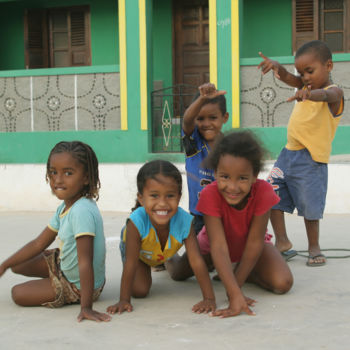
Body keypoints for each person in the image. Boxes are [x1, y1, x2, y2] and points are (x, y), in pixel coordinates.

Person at [165, 131, 293, 318]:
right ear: (215, 172)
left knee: (283, 283)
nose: (232, 187)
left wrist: (235, 289)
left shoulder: (263, 191)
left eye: (242, 178)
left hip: (251, 246)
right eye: (224, 177)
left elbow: (255, 243)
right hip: (212, 248)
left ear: (254, 175)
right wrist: (234, 292)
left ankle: (238, 271)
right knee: (178, 273)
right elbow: (218, 247)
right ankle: (168, 258)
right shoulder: (210, 194)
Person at [0, 141, 111, 323]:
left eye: (68, 173)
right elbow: (39, 243)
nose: (58, 180)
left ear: (86, 177)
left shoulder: (81, 211)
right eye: (53, 172)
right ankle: (52, 275)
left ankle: (73, 293)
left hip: (77, 285)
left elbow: (85, 261)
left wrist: (86, 307)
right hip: (64, 265)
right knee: (17, 264)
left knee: (17, 294)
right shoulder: (65, 206)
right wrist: (3, 265)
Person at [258, 40, 344, 267]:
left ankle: (314, 247)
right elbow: (288, 78)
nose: (305, 77)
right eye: (301, 73)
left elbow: (328, 97)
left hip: (311, 159)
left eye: (310, 71)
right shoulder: (302, 86)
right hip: (288, 154)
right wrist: (277, 67)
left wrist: (308, 95)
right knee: (270, 194)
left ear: (329, 66)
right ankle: (282, 242)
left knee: (310, 205)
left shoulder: (334, 93)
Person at [106, 160, 216, 315]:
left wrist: (209, 298)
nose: (162, 203)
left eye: (170, 195)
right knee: (140, 290)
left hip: (161, 251)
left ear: (179, 197)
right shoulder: (136, 223)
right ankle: (158, 261)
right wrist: (124, 300)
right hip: (138, 254)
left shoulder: (185, 222)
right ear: (141, 198)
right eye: (154, 196)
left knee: (176, 271)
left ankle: (168, 259)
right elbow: (131, 264)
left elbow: (196, 261)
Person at [182, 82, 229, 234]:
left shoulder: (231, 146)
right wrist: (202, 99)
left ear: (225, 118)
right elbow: (187, 121)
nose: (206, 124)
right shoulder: (194, 143)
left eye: (213, 118)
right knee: (197, 255)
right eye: (200, 119)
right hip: (199, 216)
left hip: (225, 214)